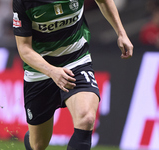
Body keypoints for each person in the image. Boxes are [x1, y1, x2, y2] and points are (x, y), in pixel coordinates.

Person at [12, 0, 133, 150]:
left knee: (87, 118)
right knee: (37, 145)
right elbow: (24, 48)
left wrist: (121, 34)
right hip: (40, 71)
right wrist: (52, 71)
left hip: (76, 61)